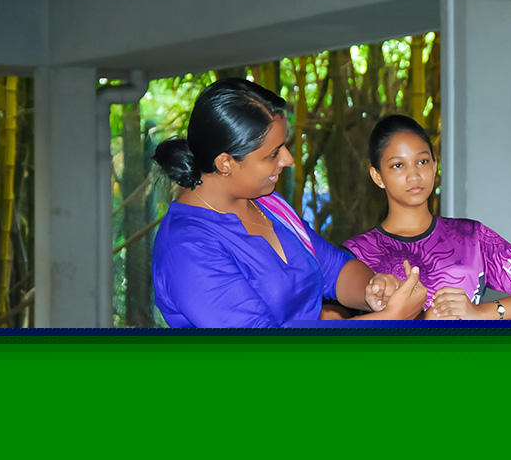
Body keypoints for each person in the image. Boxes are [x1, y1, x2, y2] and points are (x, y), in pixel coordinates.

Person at [151, 78, 426, 327]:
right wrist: (388, 319)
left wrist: (374, 290)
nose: (288, 159)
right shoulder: (186, 245)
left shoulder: (269, 204)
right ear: (226, 163)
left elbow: (334, 268)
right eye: (273, 154)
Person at [343, 115, 511, 320]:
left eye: (422, 161)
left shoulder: (472, 237)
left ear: (435, 165)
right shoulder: (355, 254)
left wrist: (481, 313)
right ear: (377, 176)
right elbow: (329, 325)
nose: (414, 175)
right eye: (398, 165)